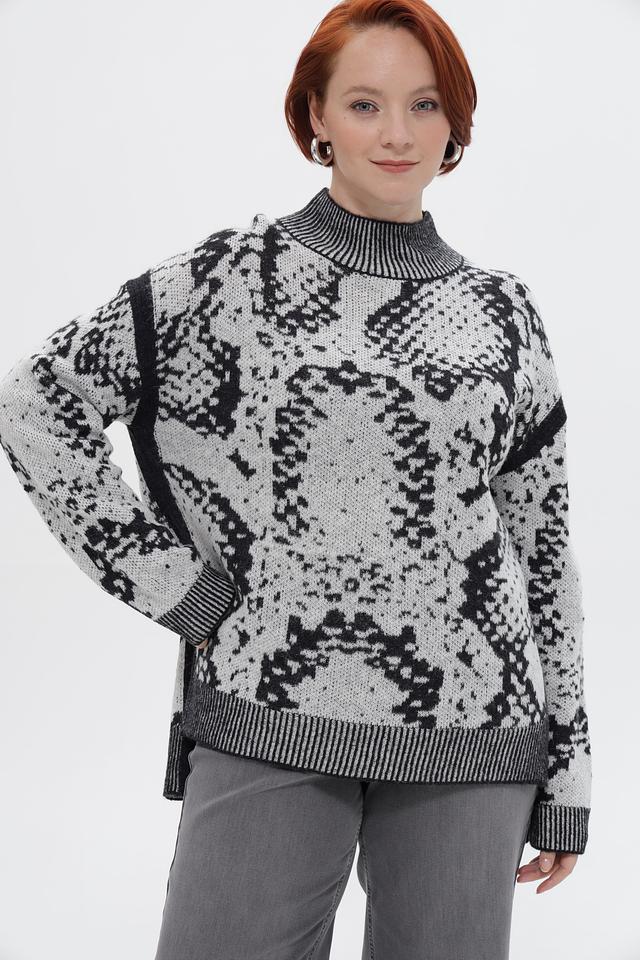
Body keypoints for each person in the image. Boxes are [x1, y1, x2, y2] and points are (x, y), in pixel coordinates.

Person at [0, 1, 591, 957]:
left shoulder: (504, 313)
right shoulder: (223, 278)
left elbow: (545, 549)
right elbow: (36, 404)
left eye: (425, 104)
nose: (397, 134)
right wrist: (176, 588)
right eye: (364, 104)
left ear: (455, 120)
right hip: (265, 714)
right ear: (315, 115)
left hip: (477, 738)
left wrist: (568, 766)